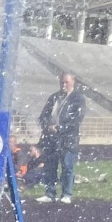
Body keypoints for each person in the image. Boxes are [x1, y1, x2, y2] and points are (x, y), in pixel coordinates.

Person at [37, 72, 86, 203]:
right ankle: (49, 193)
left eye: (66, 82)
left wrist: (60, 128)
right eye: (62, 82)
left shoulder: (78, 99)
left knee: (67, 166)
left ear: (73, 82)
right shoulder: (54, 97)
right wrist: (48, 126)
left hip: (67, 139)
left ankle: (66, 194)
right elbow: (43, 116)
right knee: (50, 166)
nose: (63, 85)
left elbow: (76, 120)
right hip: (51, 138)